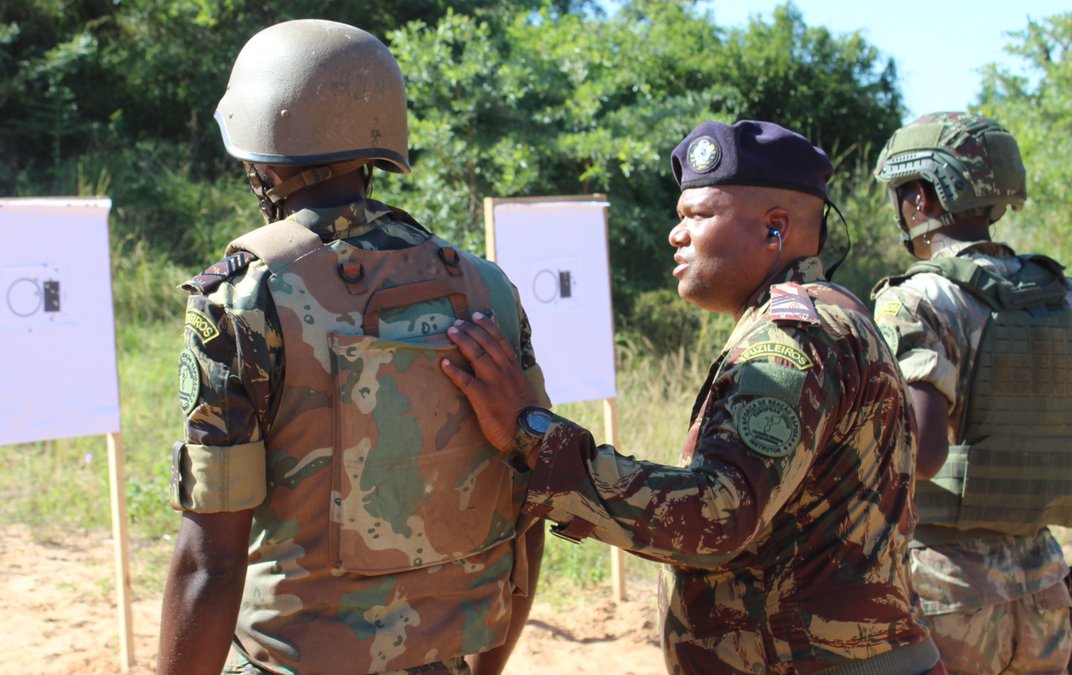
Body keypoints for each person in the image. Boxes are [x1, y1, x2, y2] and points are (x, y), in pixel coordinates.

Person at [440, 119, 941, 674]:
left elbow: (718, 515)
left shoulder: (787, 339)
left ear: (774, 229)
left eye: (697, 217)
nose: (676, 235)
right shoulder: (831, 314)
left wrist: (532, 435)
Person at [157, 19, 548, 675]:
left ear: (262, 151)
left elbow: (211, 561)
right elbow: (530, 506)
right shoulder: (487, 289)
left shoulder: (245, 299)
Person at [870, 111, 1072, 674]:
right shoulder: (1059, 297)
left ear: (921, 199)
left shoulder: (917, 299)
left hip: (945, 591)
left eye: (901, 194)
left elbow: (923, 455)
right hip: (1045, 583)